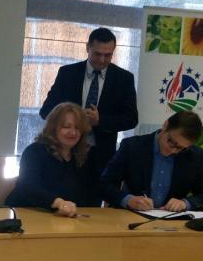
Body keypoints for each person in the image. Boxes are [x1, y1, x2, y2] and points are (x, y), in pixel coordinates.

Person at [39, 27, 138, 180]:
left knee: (95, 194)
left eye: (108, 55)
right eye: (97, 54)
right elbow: (46, 111)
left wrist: (100, 121)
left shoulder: (124, 79)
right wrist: (70, 120)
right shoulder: (67, 73)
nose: (102, 60)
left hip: (101, 156)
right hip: (63, 151)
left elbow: (131, 119)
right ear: (87, 48)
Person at [99, 111, 203, 212]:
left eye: (181, 148)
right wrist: (128, 200)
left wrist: (185, 203)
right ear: (165, 126)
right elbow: (104, 185)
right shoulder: (132, 147)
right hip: (131, 219)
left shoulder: (194, 156)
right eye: (172, 142)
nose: (173, 150)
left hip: (172, 224)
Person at [5, 102, 97, 216]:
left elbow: (95, 188)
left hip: (61, 219)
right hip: (25, 214)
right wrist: (58, 203)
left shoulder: (84, 156)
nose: (73, 132)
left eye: (77, 128)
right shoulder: (34, 152)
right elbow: (27, 186)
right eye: (66, 127)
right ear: (53, 128)